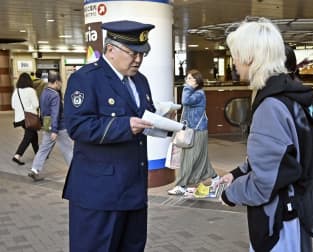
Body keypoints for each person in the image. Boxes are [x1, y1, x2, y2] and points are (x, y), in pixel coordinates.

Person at [217, 18, 313, 251]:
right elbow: (282, 158)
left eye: (236, 55)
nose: (235, 63)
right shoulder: (292, 96)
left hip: (279, 224)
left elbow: (264, 185)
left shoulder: (270, 106)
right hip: (296, 217)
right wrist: (240, 172)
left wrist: (230, 194)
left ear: (249, 57)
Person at [63, 20, 156, 252]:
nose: (138, 60)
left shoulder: (140, 81)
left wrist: (161, 117)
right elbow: (78, 126)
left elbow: (142, 115)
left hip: (133, 189)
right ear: (110, 49)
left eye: (142, 54)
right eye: (133, 53)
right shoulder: (86, 79)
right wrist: (124, 126)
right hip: (99, 194)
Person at [168, 69, 220, 195]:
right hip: (193, 130)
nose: (187, 80)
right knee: (201, 158)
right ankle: (215, 178)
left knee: (189, 159)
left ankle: (181, 186)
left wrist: (186, 87)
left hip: (197, 131)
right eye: (187, 78)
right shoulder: (195, 93)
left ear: (197, 82)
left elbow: (185, 100)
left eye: (191, 78)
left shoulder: (199, 94)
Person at [28, 71, 73, 181]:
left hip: (47, 124)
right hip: (59, 126)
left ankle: (34, 169)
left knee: (43, 148)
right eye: (61, 82)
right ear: (57, 82)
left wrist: (48, 126)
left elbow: (43, 111)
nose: (61, 85)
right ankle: (76, 171)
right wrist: (54, 130)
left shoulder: (44, 92)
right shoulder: (54, 94)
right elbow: (55, 112)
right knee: (68, 149)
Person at [11, 72, 39, 165]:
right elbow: (36, 104)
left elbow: (13, 106)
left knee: (33, 135)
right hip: (29, 118)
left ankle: (38, 153)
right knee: (28, 137)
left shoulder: (16, 91)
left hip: (20, 119)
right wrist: (29, 108)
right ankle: (17, 155)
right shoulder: (31, 90)